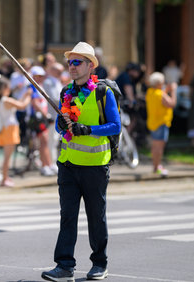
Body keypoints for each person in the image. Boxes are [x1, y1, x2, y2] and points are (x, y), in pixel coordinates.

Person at [41, 42, 121, 282]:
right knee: (67, 217)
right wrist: (61, 124)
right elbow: (58, 125)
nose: (72, 67)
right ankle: (64, 266)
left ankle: (100, 264)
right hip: (67, 165)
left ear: (90, 65)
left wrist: (88, 129)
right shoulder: (66, 92)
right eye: (70, 62)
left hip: (95, 166)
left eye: (77, 62)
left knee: (96, 217)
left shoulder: (102, 93)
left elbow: (115, 125)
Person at [0, 76, 31, 187]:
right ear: (4, 88)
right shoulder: (6, 100)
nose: (9, 90)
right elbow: (22, 106)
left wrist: (25, 95)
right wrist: (28, 96)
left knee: (6, 156)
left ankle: (5, 177)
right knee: (7, 157)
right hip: (9, 129)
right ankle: (4, 179)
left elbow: (18, 103)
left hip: (4, 128)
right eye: (8, 88)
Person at [145, 72, 177, 177]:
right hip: (161, 123)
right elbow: (172, 103)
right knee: (159, 147)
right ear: (158, 83)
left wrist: (166, 90)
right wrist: (173, 91)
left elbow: (159, 95)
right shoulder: (161, 94)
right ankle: (157, 166)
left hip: (153, 122)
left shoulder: (150, 92)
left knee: (155, 146)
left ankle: (155, 166)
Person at [28, 66, 54, 176]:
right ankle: (45, 166)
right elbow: (35, 103)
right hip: (37, 119)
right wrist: (47, 116)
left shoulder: (39, 86)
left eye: (42, 76)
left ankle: (49, 164)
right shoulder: (32, 87)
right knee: (43, 142)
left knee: (45, 141)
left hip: (41, 118)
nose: (41, 78)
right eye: (38, 76)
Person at [43, 62, 65, 173]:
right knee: (51, 141)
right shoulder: (48, 82)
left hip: (56, 115)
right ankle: (50, 163)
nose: (60, 73)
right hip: (51, 115)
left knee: (54, 141)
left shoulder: (56, 81)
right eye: (58, 71)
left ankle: (53, 162)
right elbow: (54, 97)